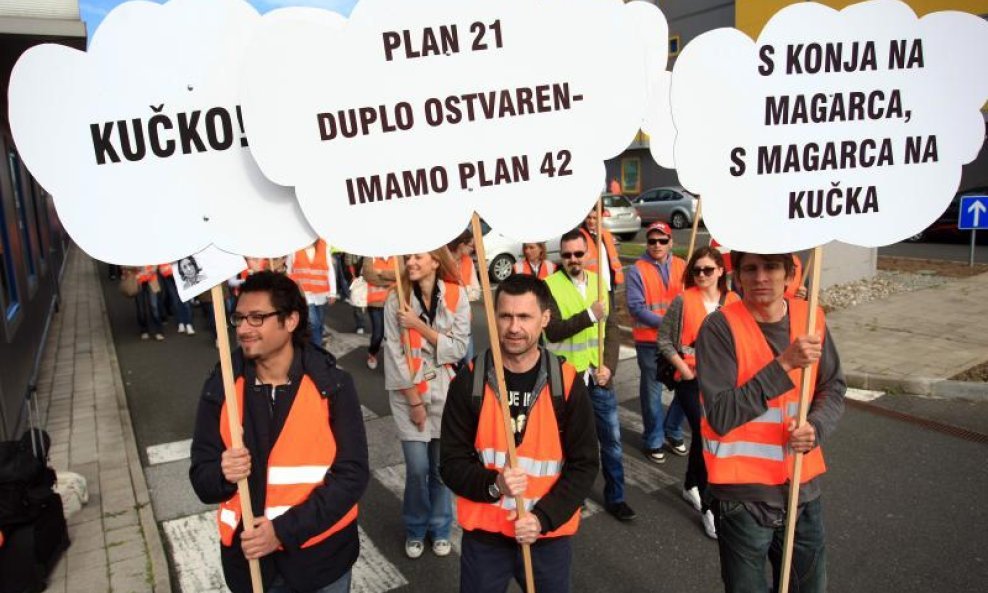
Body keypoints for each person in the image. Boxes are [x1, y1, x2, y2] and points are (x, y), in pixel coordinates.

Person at [189, 271, 369, 593]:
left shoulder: (333, 385)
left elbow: (352, 475)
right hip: (252, 568)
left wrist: (282, 532)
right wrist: (222, 473)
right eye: (239, 317)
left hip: (322, 563)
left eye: (257, 318)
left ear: (290, 321)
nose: (243, 328)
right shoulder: (222, 387)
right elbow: (202, 479)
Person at [695, 252, 845, 593]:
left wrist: (815, 428)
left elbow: (833, 387)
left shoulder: (811, 319)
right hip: (742, 495)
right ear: (738, 276)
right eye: (751, 268)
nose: (761, 277)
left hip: (801, 489)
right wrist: (783, 365)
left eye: (771, 266)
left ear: (790, 273)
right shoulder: (719, 327)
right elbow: (720, 415)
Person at [440, 274, 598, 593]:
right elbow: (451, 463)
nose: (514, 327)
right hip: (485, 540)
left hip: (546, 539)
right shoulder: (468, 381)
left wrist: (542, 519)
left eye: (524, 316)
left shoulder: (566, 383)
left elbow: (584, 465)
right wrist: (494, 484)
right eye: (505, 316)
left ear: (545, 319)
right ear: (494, 317)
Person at [382, 249, 470, 559]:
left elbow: (458, 349)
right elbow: (393, 354)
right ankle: (416, 527)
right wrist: (415, 402)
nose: (410, 263)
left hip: (446, 393)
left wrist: (418, 326)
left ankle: (441, 527)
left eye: (417, 257)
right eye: (407, 258)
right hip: (409, 396)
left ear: (435, 260)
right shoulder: (396, 298)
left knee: (441, 469)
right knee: (418, 469)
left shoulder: (458, 296)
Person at [543, 230, 635, 522]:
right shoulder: (549, 287)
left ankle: (616, 497)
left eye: (578, 254)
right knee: (572, 443)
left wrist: (609, 365)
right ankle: (574, 496)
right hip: (568, 377)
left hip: (598, 376)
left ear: (587, 254)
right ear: (561, 256)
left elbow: (612, 330)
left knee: (611, 440)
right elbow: (552, 330)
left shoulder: (599, 283)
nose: (573, 259)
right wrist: (590, 315)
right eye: (567, 254)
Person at [658, 246, 739, 539]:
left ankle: (689, 483)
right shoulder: (683, 300)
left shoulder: (734, 300)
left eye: (707, 269)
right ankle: (709, 507)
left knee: (707, 435)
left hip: (722, 381)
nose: (701, 275)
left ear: (720, 270)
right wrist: (685, 368)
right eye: (697, 270)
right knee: (705, 434)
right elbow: (664, 340)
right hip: (690, 379)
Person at [625, 221, 687, 463]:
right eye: (652, 241)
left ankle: (672, 430)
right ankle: (654, 438)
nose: (658, 245)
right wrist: (668, 324)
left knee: (686, 388)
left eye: (663, 240)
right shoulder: (636, 270)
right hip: (649, 342)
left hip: (680, 341)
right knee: (652, 392)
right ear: (647, 243)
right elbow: (636, 307)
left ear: (671, 242)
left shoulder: (683, 266)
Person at [287, 239, 337, 349]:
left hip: (322, 293)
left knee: (320, 322)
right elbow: (289, 271)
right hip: (305, 294)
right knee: (314, 323)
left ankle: (316, 343)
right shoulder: (294, 248)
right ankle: (317, 349)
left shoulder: (324, 246)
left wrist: (333, 293)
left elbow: (330, 271)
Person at [578, 208, 624, 297]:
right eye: (589, 218)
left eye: (595, 218)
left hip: (608, 285)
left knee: (610, 310)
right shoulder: (579, 236)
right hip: (591, 287)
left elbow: (613, 258)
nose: (591, 221)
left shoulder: (606, 234)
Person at [362, 256, 398, 370]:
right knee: (378, 333)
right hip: (375, 303)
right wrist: (391, 279)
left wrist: (380, 272)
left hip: (393, 303)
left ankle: (392, 360)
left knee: (393, 335)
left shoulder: (397, 255)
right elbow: (368, 275)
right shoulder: (369, 256)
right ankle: (372, 353)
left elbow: (400, 274)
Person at [128, 265, 164, 341]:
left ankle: (158, 330)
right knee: (141, 307)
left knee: (154, 306)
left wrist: (154, 268)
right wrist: (135, 267)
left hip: (151, 278)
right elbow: (124, 265)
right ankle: (144, 330)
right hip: (138, 281)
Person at [159, 263, 194, 335]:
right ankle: (180, 322)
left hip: (181, 273)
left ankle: (188, 323)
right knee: (175, 300)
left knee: (185, 300)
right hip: (168, 274)